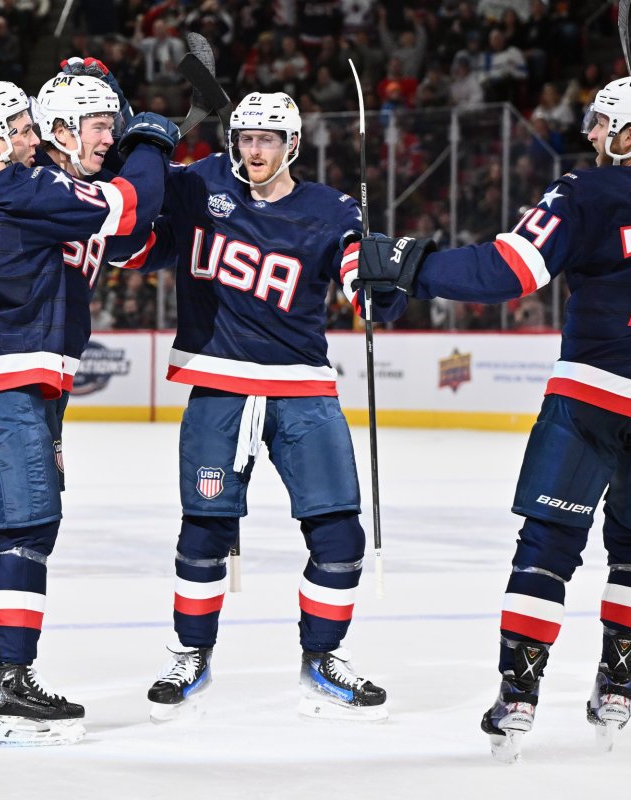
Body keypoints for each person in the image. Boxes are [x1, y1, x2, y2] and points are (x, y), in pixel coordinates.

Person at [348, 75, 631, 760]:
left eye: (604, 125)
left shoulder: (587, 192)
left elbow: (506, 272)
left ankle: (519, 694)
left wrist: (411, 266)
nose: (593, 134)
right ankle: (619, 686)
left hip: (594, 397)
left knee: (548, 543)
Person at [0, 79, 177, 746]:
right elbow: (128, 210)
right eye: (17, 128)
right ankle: (14, 686)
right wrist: (153, 143)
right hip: (2, 387)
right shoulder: (29, 187)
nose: (30, 138)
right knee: (23, 537)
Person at [131, 92, 389, 722]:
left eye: (269, 139)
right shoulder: (198, 185)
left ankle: (322, 659)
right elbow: (133, 239)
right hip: (218, 384)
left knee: (340, 537)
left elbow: (357, 270)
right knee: (204, 531)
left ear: (293, 145)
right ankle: (190, 652)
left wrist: (374, 282)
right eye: (246, 137)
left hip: (302, 387)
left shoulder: (331, 209)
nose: (255, 150)